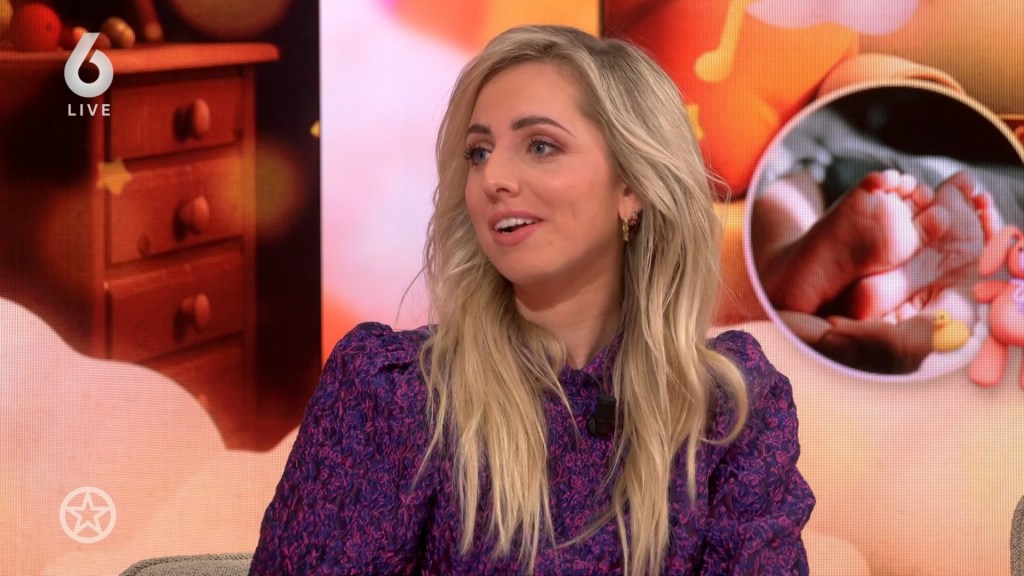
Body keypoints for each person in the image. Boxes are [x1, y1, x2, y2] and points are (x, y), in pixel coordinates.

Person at [250, 25, 813, 575]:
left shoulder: (729, 409)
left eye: (540, 146)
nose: (492, 177)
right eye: (478, 152)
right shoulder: (395, 393)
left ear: (631, 187)